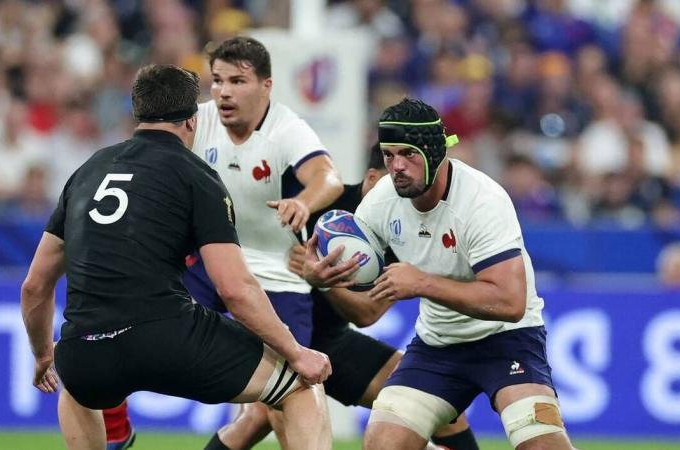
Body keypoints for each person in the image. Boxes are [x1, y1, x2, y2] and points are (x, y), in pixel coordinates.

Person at [20, 64, 332, 450]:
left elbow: (35, 286)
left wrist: (43, 356)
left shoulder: (87, 172)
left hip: (86, 347)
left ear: (137, 113)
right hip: (166, 336)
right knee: (300, 386)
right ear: (192, 120)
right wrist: (295, 352)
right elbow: (234, 288)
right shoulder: (196, 176)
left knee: (79, 386)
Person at [102, 36, 344, 450]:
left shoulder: (286, 128)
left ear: (266, 86)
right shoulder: (197, 121)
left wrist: (304, 203)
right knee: (116, 320)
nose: (224, 91)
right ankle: (115, 425)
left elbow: (329, 177)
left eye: (237, 80)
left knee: (290, 390)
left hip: (275, 274)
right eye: (216, 80)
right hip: (208, 264)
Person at [304, 98, 576, 450]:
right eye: (389, 155)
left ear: (435, 152)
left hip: (507, 340)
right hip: (437, 346)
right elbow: (368, 303)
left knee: (541, 444)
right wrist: (325, 278)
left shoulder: (482, 201)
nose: (397, 166)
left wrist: (422, 283)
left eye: (408, 154)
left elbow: (510, 302)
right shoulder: (382, 201)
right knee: (382, 444)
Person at [181, 144, 481, 450]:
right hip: (282, 339)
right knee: (261, 415)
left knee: (434, 397)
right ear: (373, 178)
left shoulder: (407, 233)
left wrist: (322, 281)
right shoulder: (322, 206)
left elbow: (367, 314)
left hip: (331, 341)